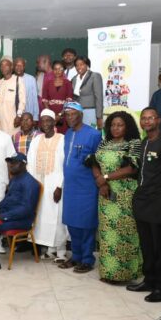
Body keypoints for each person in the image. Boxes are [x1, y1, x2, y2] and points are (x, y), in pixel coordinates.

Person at [127, 107, 161, 302]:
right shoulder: (144, 142)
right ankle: (149, 280)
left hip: (158, 201)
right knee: (146, 245)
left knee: (159, 247)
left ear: (158, 120)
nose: (146, 121)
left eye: (150, 118)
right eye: (144, 119)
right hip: (142, 200)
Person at [91, 111, 142, 284]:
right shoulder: (105, 142)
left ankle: (126, 273)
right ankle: (109, 272)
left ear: (127, 126)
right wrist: (101, 182)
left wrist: (105, 178)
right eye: (113, 125)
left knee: (124, 232)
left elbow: (132, 168)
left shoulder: (133, 143)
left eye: (120, 125)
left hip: (124, 195)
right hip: (105, 195)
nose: (115, 128)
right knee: (107, 234)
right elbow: (94, 162)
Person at [60, 102, 102, 273]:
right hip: (70, 187)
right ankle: (76, 256)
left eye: (73, 114)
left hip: (87, 187)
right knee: (72, 224)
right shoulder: (68, 134)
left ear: (81, 115)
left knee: (86, 225)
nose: (70, 118)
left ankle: (87, 259)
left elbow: (99, 161)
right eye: (67, 115)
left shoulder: (94, 134)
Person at [27, 109, 67, 262]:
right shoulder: (36, 140)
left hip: (56, 185)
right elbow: (30, 163)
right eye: (43, 120)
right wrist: (33, 185)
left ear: (54, 122)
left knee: (57, 218)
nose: (45, 123)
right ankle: (50, 250)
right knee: (44, 218)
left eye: (48, 120)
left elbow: (65, 165)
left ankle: (61, 252)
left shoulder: (62, 139)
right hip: (40, 184)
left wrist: (60, 186)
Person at [71, 56, 104, 129]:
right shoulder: (74, 79)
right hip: (77, 113)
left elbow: (99, 97)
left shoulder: (95, 76)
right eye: (77, 65)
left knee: (91, 133)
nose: (79, 67)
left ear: (87, 65)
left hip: (91, 112)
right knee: (80, 133)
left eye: (81, 64)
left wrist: (99, 117)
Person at [0, 56, 26, 136]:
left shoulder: (18, 80)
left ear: (11, 67)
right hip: (0, 123)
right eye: (1, 65)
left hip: (13, 122)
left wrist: (19, 116)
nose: (3, 67)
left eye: (6, 65)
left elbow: (22, 101)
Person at [42, 60, 73, 134]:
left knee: (64, 134)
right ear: (53, 70)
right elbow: (45, 100)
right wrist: (51, 114)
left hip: (64, 113)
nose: (57, 71)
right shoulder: (47, 83)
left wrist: (59, 115)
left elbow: (69, 100)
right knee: (51, 134)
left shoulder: (68, 83)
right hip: (50, 113)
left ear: (63, 70)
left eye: (60, 69)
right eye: (55, 69)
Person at [14, 57, 40, 123]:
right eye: (17, 65)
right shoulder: (10, 80)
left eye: (21, 65)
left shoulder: (31, 79)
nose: (19, 67)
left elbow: (35, 99)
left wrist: (35, 117)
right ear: (13, 66)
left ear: (24, 67)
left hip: (28, 116)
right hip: (13, 116)